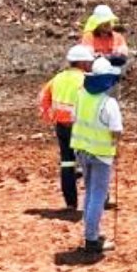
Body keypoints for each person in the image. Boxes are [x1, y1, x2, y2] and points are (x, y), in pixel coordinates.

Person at [71, 57, 124, 254]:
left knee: (90, 193)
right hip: (101, 155)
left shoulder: (81, 96)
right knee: (98, 196)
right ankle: (91, 239)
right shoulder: (108, 103)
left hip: (82, 151)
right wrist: (116, 147)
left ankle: (91, 232)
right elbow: (116, 130)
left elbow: (74, 118)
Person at [38, 45, 96, 211]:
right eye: (89, 62)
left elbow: (43, 97)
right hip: (81, 126)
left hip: (62, 126)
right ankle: (96, 200)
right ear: (83, 62)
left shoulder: (57, 78)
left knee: (67, 162)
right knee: (90, 163)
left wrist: (51, 116)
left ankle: (70, 203)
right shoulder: (85, 79)